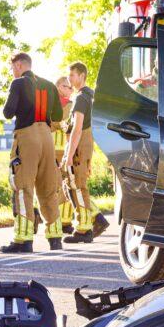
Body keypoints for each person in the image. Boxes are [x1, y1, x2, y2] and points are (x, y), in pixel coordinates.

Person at [1, 52, 64, 253]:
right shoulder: (49, 85)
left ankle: (23, 239)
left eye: (12, 68)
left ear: (19, 65)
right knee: (48, 188)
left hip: (27, 136)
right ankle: (55, 237)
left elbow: (8, 112)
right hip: (47, 137)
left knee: (23, 187)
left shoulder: (18, 83)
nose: (12, 72)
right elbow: (58, 115)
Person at [60, 61, 109, 243]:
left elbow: (77, 128)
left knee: (77, 186)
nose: (70, 79)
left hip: (79, 146)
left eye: (72, 75)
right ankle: (86, 225)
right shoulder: (91, 95)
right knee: (74, 185)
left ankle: (83, 229)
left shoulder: (81, 98)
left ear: (82, 76)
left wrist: (69, 155)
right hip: (86, 145)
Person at [53, 76, 75, 233]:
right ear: (59, 87)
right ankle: (59, 220)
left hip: (66, 151)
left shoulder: (71, 105)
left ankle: (65, 222)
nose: (71, 90)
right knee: (57, 186)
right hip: (52, 152)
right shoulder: (52, 105)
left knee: (66, 185)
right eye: (68, 87)